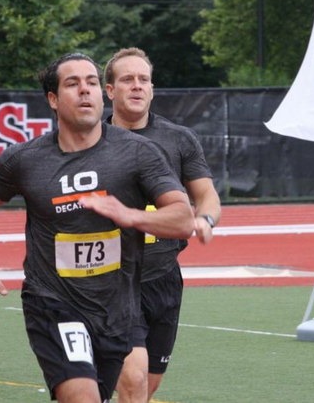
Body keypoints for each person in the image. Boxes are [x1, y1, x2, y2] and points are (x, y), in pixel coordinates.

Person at [0, 52, 194, 403]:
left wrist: (131, 216)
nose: (84, 91)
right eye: (72, 84)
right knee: (83, 397)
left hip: (116, 308)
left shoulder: (138, 153)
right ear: (53, 100)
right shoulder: (25, 160)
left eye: (90, 83)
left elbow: (182, 219)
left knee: (120, 391)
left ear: (102, 95)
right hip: (53, 301)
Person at [104, 47, 222, 403]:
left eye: (143, 80)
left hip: (165, 278)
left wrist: (205, 219)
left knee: (147, 386)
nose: (137, 86)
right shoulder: (91, 140)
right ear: (110, 91)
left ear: (152, 88)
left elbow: (207, 195)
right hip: (114, 280)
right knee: (134, 379)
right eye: (127, 80)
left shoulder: (179, 139)